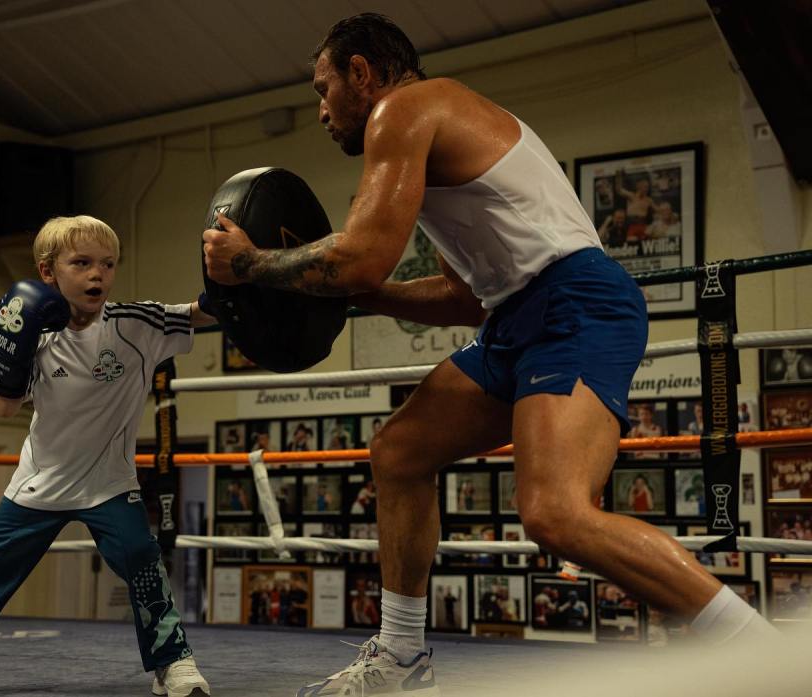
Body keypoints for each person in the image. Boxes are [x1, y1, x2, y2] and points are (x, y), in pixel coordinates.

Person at [202, 13, 776, 695]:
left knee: (554, 513)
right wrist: (368, 296)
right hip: (516, 317)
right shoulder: (440, 138)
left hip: (575, 303)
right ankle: (401, 661)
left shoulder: (406, 109)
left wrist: (252, 262)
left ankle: (765, 655)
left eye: (325, 90)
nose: (322, 111)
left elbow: (359, 259)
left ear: (363, 74)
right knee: (398, 452)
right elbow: (462, 296)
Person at [0, 215, 215, 697]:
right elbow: (3, 406)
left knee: (142, 561)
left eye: (107, 264)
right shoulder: (34, 331)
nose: (97, 274)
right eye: (81, 263)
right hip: (40, 482)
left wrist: (234, 276)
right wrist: (12, 343)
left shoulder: (136, 324)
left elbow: (202, 312)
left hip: (108, 482)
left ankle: (174, 663)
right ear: (48, 272)